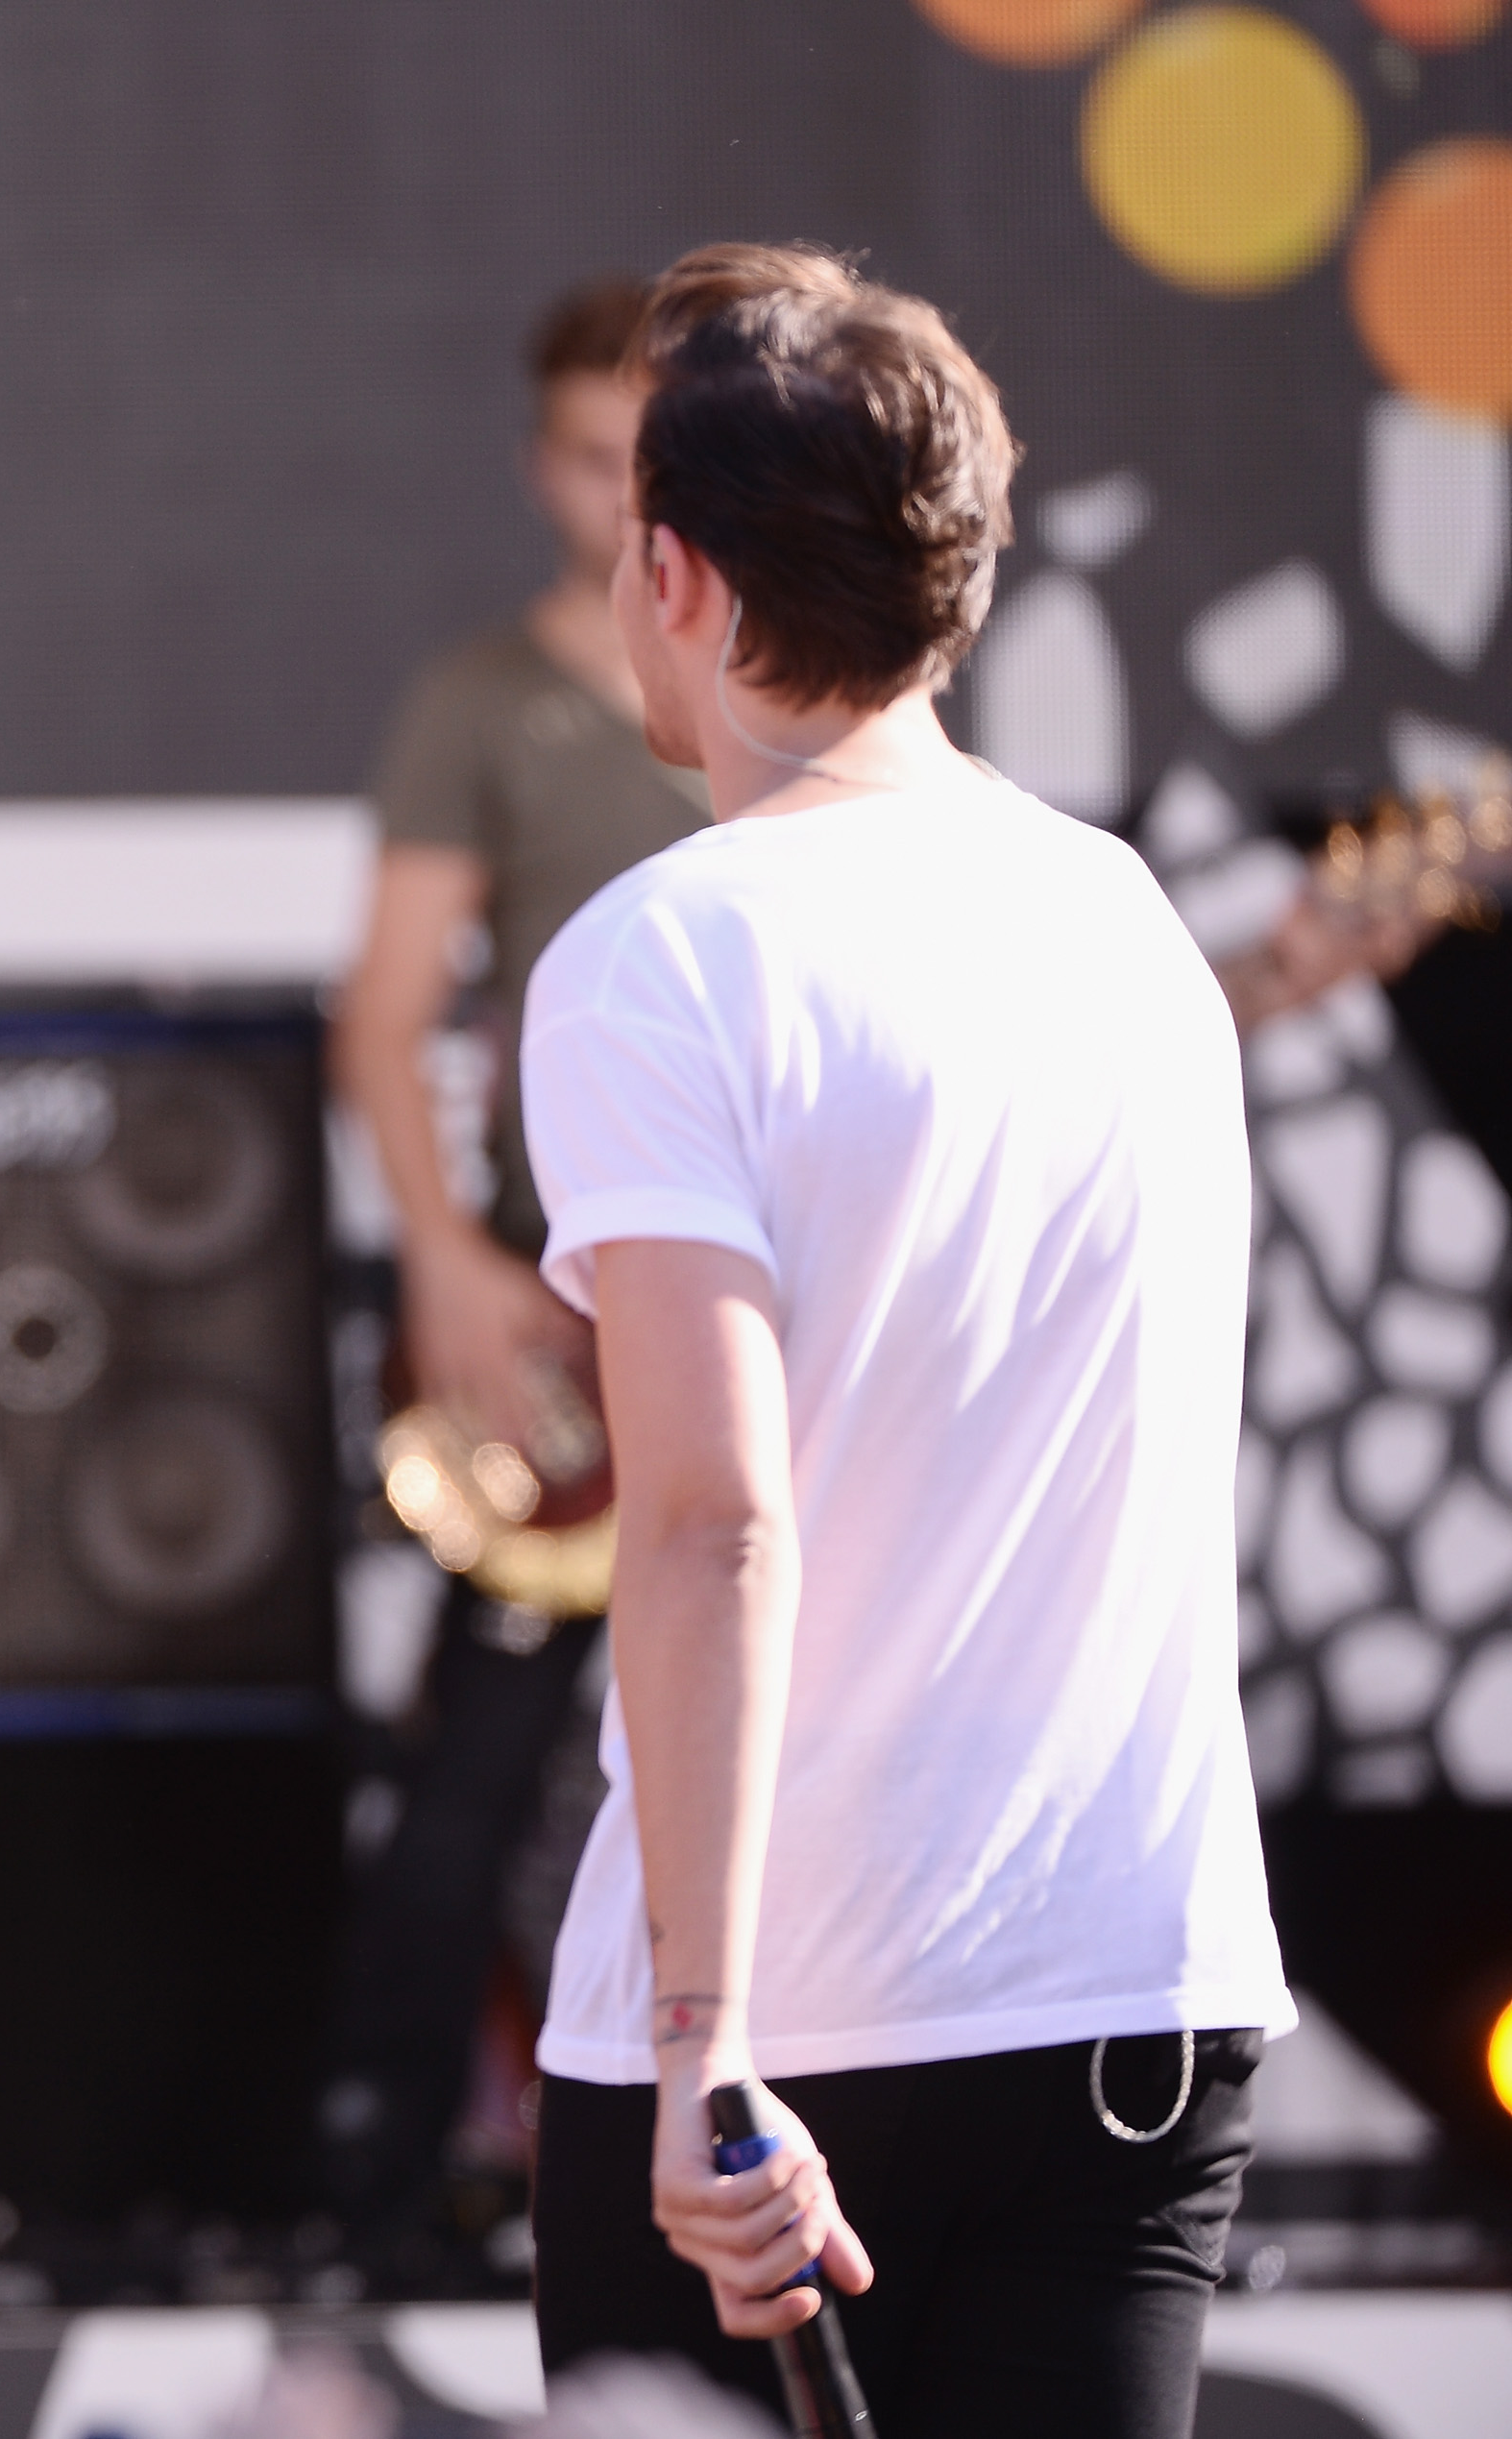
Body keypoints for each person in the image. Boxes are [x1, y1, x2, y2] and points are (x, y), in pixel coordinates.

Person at [519, 245, 1291, 2438]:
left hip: (792, 2039)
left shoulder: (662, 957)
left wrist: (698, 2039)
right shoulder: (1125, 919)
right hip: (1133, 2002)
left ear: (668, 569)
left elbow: (709, 1524)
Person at [321, 279, 705, 2242]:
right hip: (561, 1347)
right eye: (581, 448)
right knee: (476, 1773)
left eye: (646, 443)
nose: (614, 488)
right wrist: (455, 1267)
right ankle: (383, 2189)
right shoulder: (487, 701)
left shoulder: (800, 705)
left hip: (764, 1335)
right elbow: (382, 1016)